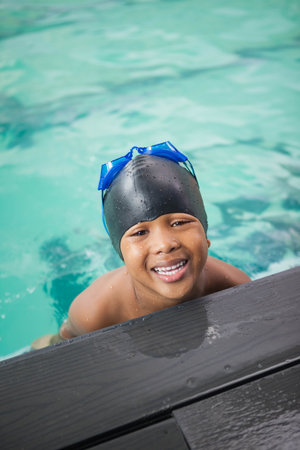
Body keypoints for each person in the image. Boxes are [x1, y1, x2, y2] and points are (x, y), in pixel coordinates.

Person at [32, 142, 250, 349]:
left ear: (206, 237)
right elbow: (56, 349)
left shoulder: (235, 285)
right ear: (121, 255)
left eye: (179, 223)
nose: (164, 245)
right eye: (140, 232)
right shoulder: (95, 312)